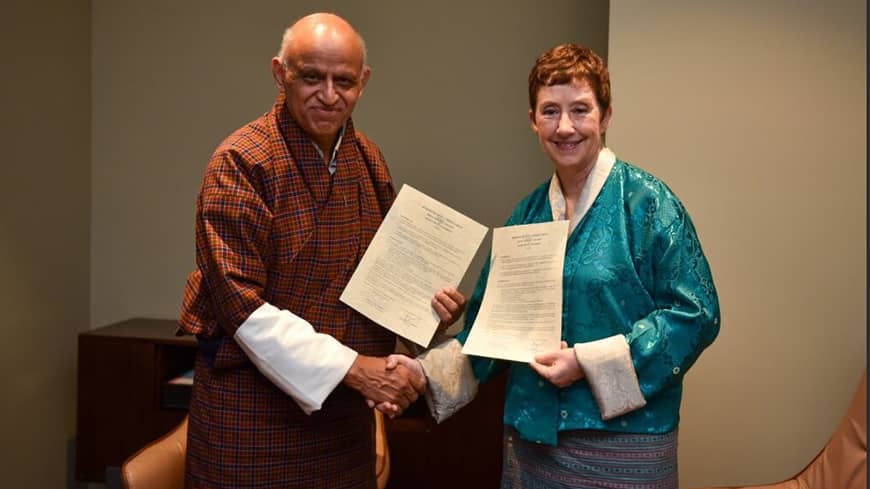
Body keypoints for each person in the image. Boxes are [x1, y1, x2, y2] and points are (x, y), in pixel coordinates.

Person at [384, 43, 720, 489]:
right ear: (532, 120)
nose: (565, 127)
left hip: (625, 448)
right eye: (550, 112)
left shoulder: (648, 204)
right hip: (531, 445)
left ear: (606, 115)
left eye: (580, 110)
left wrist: (586, 362)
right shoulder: (527, 214)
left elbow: (697, 315)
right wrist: (420, 372)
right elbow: (489, 335)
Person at [176, 12, 464, 489]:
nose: (329, 95)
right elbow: (242, 310)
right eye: (311, 77)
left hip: (342, 420)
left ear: (363, 83)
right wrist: (357, 371)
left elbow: (382, 280)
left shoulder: (367, 159)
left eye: (344, 81)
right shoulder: (240, 163)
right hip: (252, 416)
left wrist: (427, 313)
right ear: (279, 73)